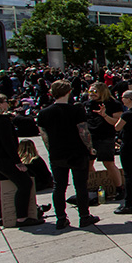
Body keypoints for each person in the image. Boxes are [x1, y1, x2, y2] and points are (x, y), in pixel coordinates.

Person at [37, 80, 99, 230]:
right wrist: (90, 148)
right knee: (80, 186)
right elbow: (83, 131)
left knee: (59, 187)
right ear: (69, 92)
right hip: (77, 151)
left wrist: (51, 149)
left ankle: (61, 218)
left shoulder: (43, 113)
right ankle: (84, 216)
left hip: (57, 153)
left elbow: (44, 135)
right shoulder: (76, 110)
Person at [0, 91, 42, 227]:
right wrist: (18, 162)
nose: (7, 104)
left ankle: (4, 217)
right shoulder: (2, 121)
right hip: (3, 158)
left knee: (0, 186)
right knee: (24, 184)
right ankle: (21, 217)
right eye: (5, 102)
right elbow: (8, 143)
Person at [85, 82, 125, 201]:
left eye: (94, 91)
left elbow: (117, 123)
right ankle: (94, 187)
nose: (91, 94)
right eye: (90, 91)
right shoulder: (87, 104)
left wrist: (104, 115)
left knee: (108, 163)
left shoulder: (112, 104)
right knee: (88, 164)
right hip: (90, 137)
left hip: (105, 137)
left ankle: (119, 188)